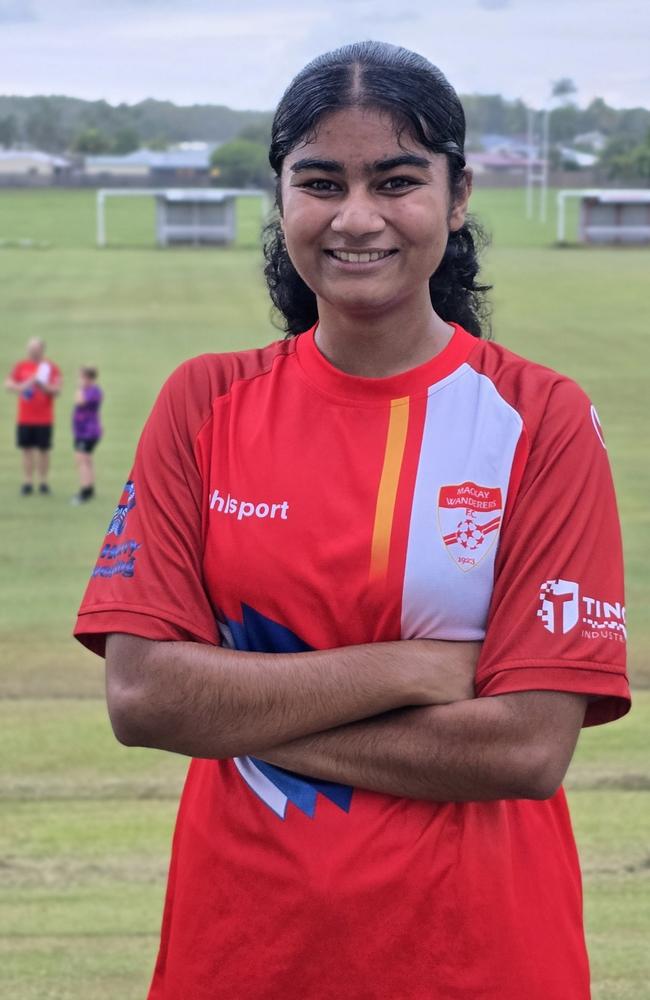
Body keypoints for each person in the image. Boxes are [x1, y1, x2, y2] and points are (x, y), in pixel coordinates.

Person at [74, 42, 630, 1000]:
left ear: (456, 200)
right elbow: (142, 699)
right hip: (240, 956)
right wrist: (412, 671)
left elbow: (527, 748)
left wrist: (232, 712)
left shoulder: (539, 419)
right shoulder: (204, 403)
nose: (357, 216)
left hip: (483, 960)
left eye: (398, 180)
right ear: (281, 197)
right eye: (321, 180)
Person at [5, 337, 62, 495]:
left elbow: (57, 390)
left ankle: (43, 482)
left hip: (44, 418)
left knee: (44, 451)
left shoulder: (50, 367)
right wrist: (26, 384)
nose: (32, 351)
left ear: (41, 350)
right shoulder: (21, 366)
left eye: (35, 349)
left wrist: (43, 385)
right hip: (25, 417)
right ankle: (28, 481)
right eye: (30, 348)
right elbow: (8, 384)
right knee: (26, 450)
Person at [71, 366, 103, 504]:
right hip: (82, 431)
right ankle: (89, 487)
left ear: (89, 378)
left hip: (88, 432)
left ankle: (84, 491)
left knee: (81, 459)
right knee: (87, 459)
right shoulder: (90, 391)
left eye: (82, 377)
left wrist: (79, 388)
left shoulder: (93, 392)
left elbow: (80, 401)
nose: (80, 380)